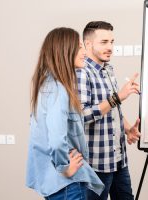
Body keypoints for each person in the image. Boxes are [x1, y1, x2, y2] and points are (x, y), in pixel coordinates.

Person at [26, 27, 104, 200]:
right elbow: (55, 139)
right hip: (67, 185)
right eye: (79, 47)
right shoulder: (58, 89)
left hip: (55, 183)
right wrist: (64, 167)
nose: (85, 52)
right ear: (64, 50)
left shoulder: (46, 85)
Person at [76, 21, 141, 200]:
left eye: (112, 42)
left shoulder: (108, 69)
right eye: (104, 42)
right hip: (96, 164)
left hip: (118, 159)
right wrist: (117, 97)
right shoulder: (82, 72)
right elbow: (81, 116)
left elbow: (112, 109)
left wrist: (127, 128)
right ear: (88, 44)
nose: (110, 47)